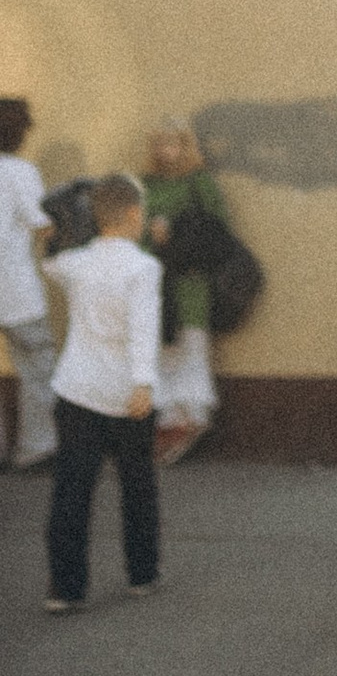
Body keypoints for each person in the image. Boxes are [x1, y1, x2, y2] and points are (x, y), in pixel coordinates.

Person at [43, 173, 164, 611]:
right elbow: (143, 329)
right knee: (137, 486)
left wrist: (57, 233)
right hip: (126, 393)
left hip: (76, 389)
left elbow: (50, 263)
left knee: (72, 489)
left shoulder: (75, 263)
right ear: (134, 214)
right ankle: (142, 572)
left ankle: (65, 587)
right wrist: (143, 382)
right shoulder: (144, 267)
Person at [142, 123, 237, 463]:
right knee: (161, 351)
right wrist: (152, 236)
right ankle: (167, 419)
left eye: (174, 144)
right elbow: (133, 229)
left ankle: (193, 418)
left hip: (191, 282)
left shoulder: (200, 183)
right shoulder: (146, 184)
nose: (167, 151)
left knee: (192, 347)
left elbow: (218, 230)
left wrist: (180, 237)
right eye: (161, 143)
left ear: (186, 147)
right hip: (156, 280)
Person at [0, 100, 59, 472]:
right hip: (15, 289)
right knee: (37, 368)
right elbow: (41, 223)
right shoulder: (21, 171)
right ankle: (35, 447)